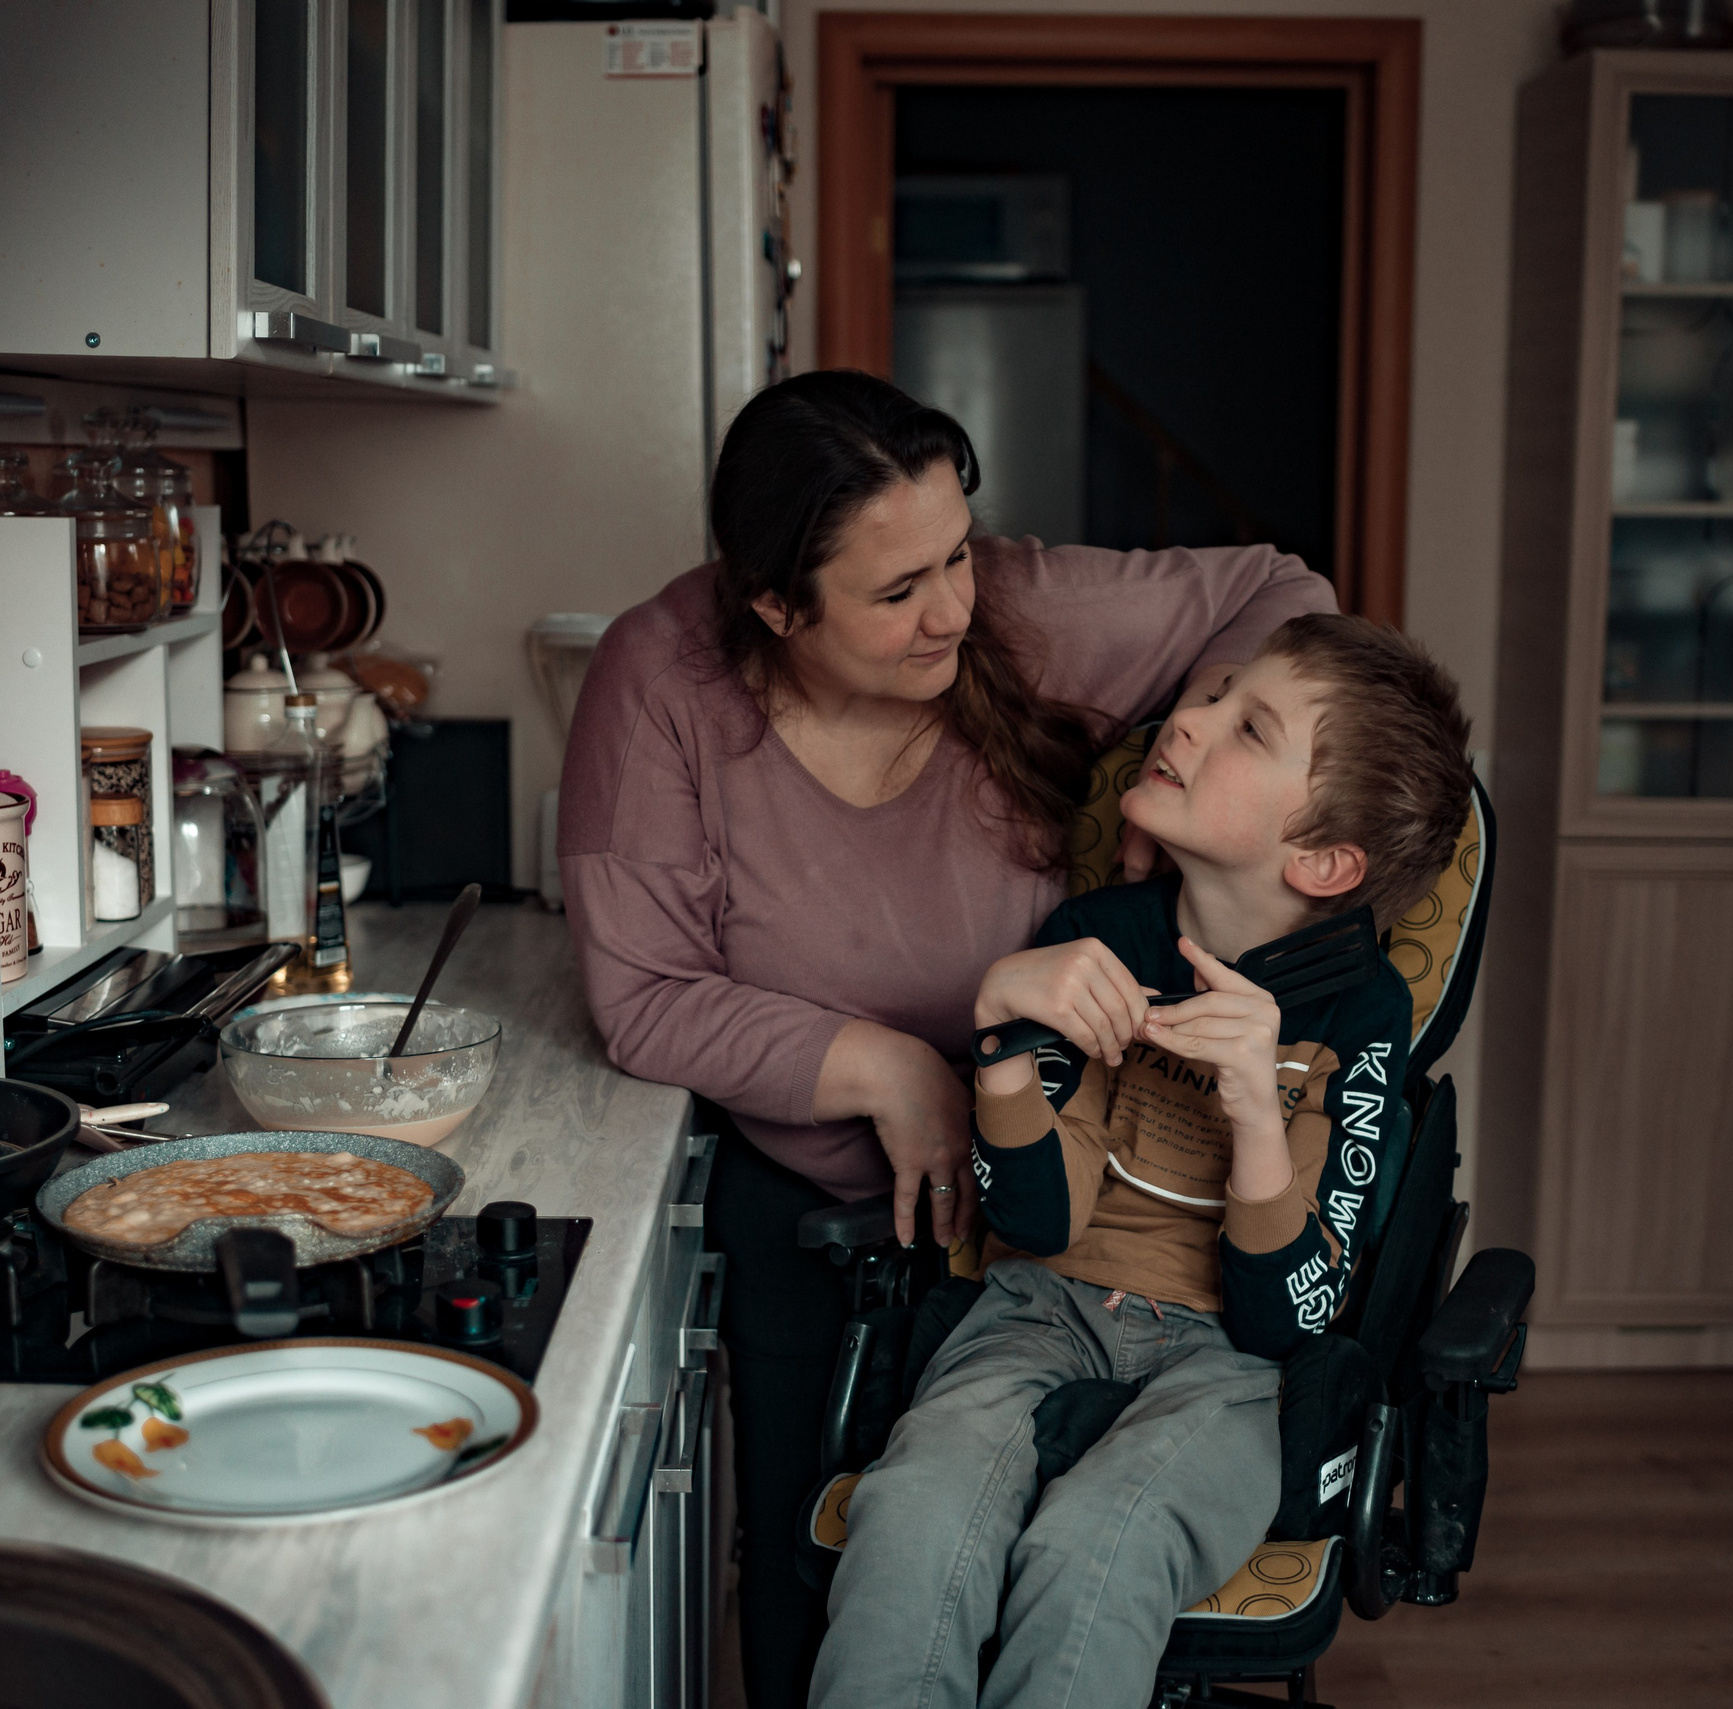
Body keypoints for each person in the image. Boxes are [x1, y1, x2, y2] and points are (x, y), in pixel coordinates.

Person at [559, 370, 1334, 1709]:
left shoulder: (1019, 612)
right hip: (832, 1210)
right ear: (774, 602)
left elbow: (1284, 591)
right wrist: (885, 1065)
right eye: (898, 590)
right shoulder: (662, 677)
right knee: (843, 1561)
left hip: (1071, 1218)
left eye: (958, 553)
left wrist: (1176, 769)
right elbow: (642, 991)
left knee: (1068, 1559)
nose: (957, 610)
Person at [808, 614, 1473, 1709]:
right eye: (1209, 693)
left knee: (1093, 1544)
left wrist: (1259, 1109)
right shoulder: (1099, 935)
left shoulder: (1360, 1012)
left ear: (1320, 859)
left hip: (1230, 1368)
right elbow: (1038, 1218)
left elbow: (1290, 1316)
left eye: (1247, 725)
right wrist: (1001, 1037)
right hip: (1039, 1305)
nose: (1190, 719)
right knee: (913, 1509)